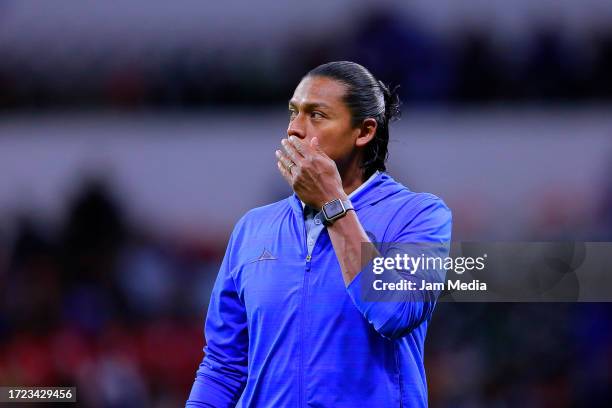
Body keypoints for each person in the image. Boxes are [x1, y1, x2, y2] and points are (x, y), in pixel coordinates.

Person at [186, 61, 452, 407]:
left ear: (364, 131)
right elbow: (224, 366)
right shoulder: (253, 228)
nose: (294, 129)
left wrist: (333, 204)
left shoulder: (419, 216)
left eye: (317, 115)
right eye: (293, 112)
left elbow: (395, 312)